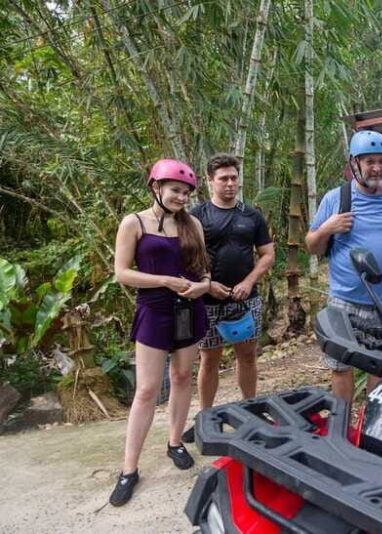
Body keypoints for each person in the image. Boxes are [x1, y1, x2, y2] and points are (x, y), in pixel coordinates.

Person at [110, 159, 210, 506]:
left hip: (190, 308)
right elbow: (122, 273)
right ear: (156, 187)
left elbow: (203, 270)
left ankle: (174, 442)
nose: (181, 196)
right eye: (175, 190)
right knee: (147, 389)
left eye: (185, 192)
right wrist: (164, 280)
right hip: (154, 310)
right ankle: (129, 469)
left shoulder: (193, 223)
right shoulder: (134, 222)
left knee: (183, 376)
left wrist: (204, 286)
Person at [306, 130, 382, 403]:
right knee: (340, 368)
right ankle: (341, 430)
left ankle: (373, 428)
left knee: (381, 367)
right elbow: (312, 245)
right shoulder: (336, 198)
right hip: (344, 301)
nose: (377, 168)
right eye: (370, 161)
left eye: (381, 161)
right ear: (354, 163)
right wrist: (326, 229)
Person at [182, 154, 275, 443]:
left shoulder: (252, 216)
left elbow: (268, 253)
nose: (230, 183)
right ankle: (206, 418)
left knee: (247, 355)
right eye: (223, 178)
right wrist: (208, 286)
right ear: (210, 181)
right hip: (208, 300)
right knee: (209, 359)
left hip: (246, 299)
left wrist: (249, 281)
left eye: (234, 177)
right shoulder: (196, 216)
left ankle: (251, 410)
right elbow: (186, 257)